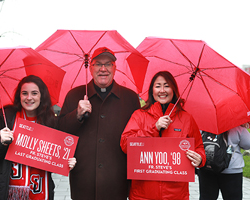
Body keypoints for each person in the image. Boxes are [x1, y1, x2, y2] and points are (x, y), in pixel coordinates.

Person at [58, 47, 140, 200]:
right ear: (90, 68)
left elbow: (137, 138)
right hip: (83, 182)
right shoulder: (74, 95)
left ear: (115, 68)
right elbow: (61, 132)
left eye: (108, 64)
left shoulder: (130, 98)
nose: (103, 69)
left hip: (117, 183)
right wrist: (77, 114)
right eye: (98, 64)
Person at [0, 75, 76, 200]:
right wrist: (1, 143)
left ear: (42, 96)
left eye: (34, 93)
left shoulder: (51, 122)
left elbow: (55, 159)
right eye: (24, 93)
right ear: (19, 96)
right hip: (7, 193)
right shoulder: (7, 118)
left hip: (41, 193)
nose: (29, 98)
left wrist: (67, 162)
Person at [120, 71, 206, 200]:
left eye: (166, 85)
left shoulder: (187, 118)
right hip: (142, 195)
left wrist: (200, 159)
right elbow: (126, 145)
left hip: (176, 195)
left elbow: (199, 147)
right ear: (152, 90)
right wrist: (154, 128)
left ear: (173, 89)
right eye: (158, 86)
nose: (162, 90)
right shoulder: (139, 115)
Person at [198, 123, 250, 200]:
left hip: (207, 166)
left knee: (206, 197)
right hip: (231, 169)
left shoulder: (202, 127)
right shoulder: (237, 128)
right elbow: (247, 144)